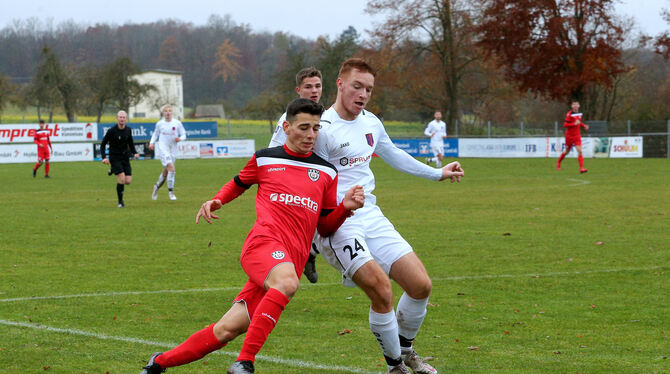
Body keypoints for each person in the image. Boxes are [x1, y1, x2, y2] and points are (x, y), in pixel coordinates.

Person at [139, 98, 365, 374]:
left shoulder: (327, 172)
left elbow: (326, 227)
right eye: (304, 127)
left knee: (225, 331)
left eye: (316, 129)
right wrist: (216, 201)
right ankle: (244, 363)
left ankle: (158, 364)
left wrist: (344, 209)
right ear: (286, 127)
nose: (310, 135)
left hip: (287, 262)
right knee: (287, 283)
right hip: (262, 246)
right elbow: (238, 183)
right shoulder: (266, 158)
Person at [311, 58, 464, 374]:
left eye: (368, 88)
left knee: (420, 285)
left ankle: (405, 351)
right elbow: (311, 185)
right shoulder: (322, 130)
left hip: (372, 215)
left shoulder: (371, 123)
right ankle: (395, 367)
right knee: (382, 291)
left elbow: (394, 155)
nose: (363, 94)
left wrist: (437, 174)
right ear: (339, 84)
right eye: (357, 86)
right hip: (339, 224)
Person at [269, 66, 324, 283]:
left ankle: (310, 252)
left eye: (317, 86)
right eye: (308, 87)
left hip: (318, 178)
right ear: (298, 90)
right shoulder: (289, 117)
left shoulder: (325, 115)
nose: (314, 91)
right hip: (292, 181)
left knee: (330, 221)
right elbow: (273, 149)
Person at [100, 110, 139, 208]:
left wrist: (135, 153)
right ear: (117, 118)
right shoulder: (111, 131)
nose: (122, 119)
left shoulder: (128, 130)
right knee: (121, 178)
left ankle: (113, 170)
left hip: (125, 157)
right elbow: (103, 144)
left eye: (123, 117)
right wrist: (104, 157)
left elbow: (130, 143)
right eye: (120, 117)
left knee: (128, 181)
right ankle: (120, 202)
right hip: (115, 157)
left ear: (126, 119)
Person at [149, 104, 186, 201]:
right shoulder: (160, 124)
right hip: (163, 149)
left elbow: (184, 134)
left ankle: (156, 187)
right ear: (163, 113)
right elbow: (155, 134)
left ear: (172, 112)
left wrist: (180, 139)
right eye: (166, 111)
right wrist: (151, 143)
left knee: (166, 173)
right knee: (172, 169)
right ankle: (171, 193)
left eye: (169, 111)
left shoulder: (177, 123)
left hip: (173, 150)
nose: (168, 113)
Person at [557, 100, 589, 173]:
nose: (575, 106)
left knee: (580, 151)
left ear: (579, 105)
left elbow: (578, 122)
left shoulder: (580, 114)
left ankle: (581, 168)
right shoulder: (569, 114)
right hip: (569, 136)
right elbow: (565, 125)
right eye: (574, 104)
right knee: (567, 152)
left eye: (576, 104)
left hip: (577, 135)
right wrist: (573, 124)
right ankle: (559, 162)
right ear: (572, 106)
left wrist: (584, 126)